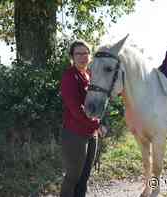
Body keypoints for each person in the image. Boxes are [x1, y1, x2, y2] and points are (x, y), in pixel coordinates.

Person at [60, 40, 101, 197]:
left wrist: (98, 123)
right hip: (74, 134)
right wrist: (96, 124)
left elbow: (98, 104)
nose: (83, 57)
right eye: (79, 53)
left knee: (84, 177)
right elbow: (76, 109)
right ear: (72, 56)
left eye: (86, 53)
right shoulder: (70, 76)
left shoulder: (90, 76)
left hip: (92, 133)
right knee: (73, 177)